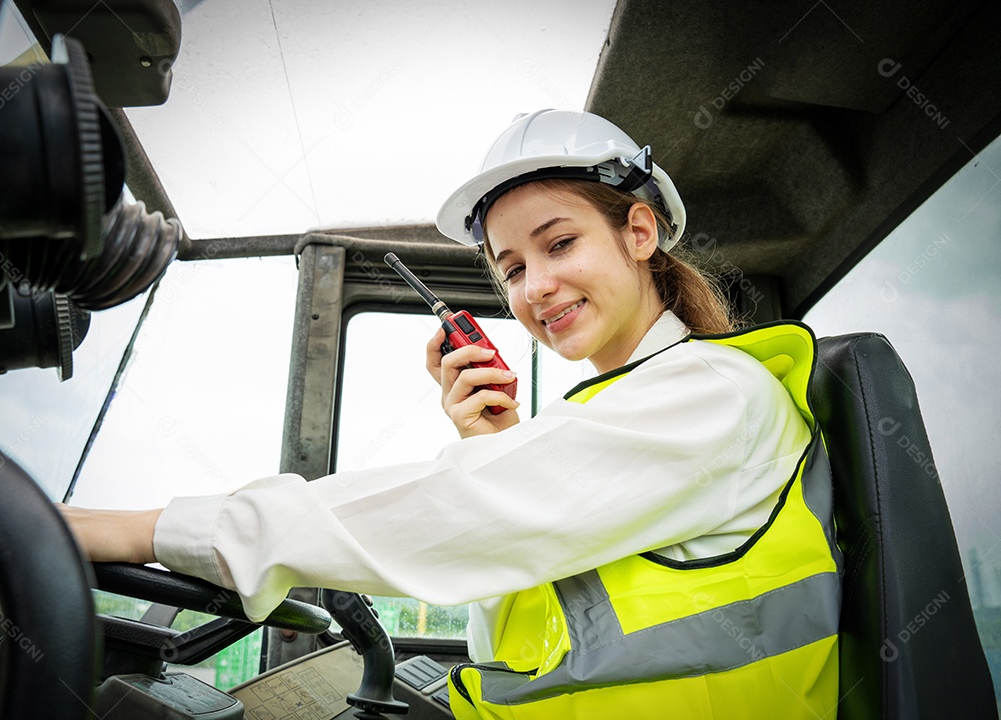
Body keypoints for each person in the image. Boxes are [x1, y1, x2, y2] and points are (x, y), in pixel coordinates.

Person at [61, 110, 841, 718]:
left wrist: (148, 529)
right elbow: (524, 601)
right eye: (512, 268)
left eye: (559, 243)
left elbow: (456, 513)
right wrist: (495, 447)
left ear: (639, 233)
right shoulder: (627, 411)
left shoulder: (708, 395)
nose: (534, 286)